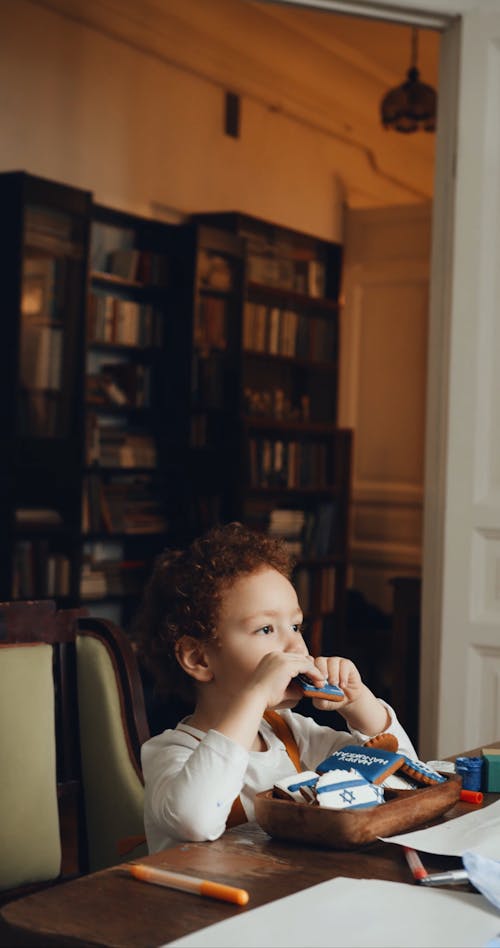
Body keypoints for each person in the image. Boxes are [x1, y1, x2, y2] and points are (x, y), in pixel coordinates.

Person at [135, 521, 418, 853]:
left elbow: (405, 783)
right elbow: (195, 820)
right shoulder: (170, 753)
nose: (296, 646)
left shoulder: (294, 736)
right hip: (214, 903)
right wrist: (255, 696)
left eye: (296, 625)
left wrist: (361, 706)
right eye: (266, 629)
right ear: (199, 658)